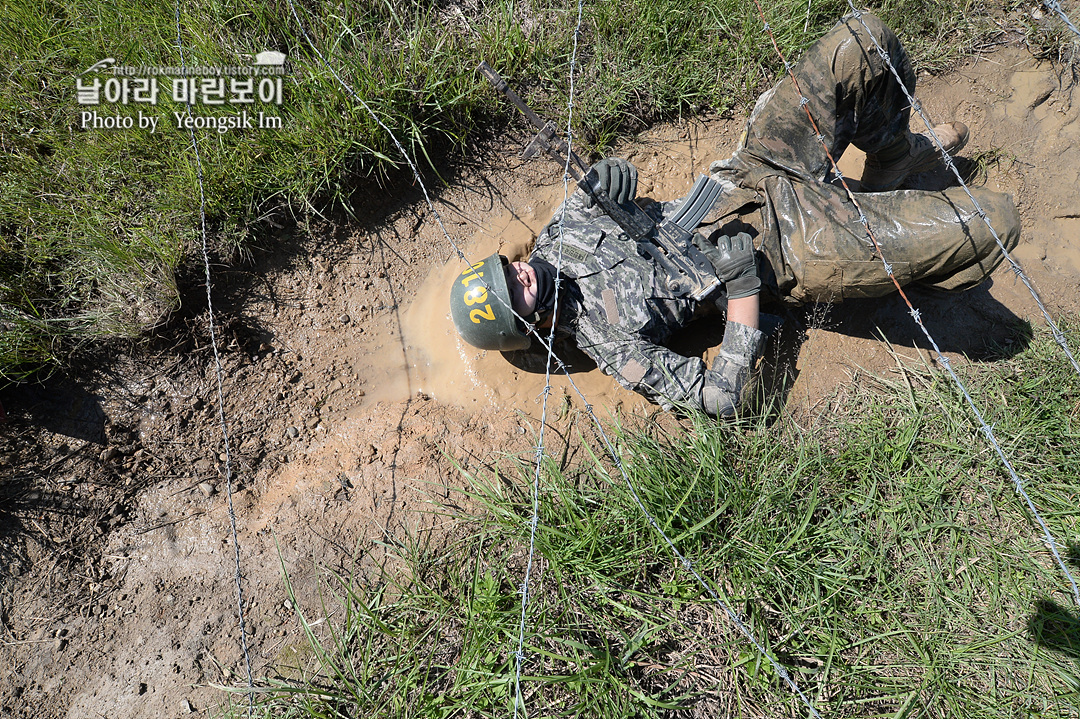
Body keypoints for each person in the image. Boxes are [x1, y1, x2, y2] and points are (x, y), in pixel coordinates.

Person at [450, 13, 1020, 417]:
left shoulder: (556, 238)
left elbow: (593, 189)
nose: (520, 276)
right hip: (788, 249)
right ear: (534, 326)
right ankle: (884, 227)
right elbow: (723, 399)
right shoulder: (612, 346)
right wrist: (743, 292)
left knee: (862, 40)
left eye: (507, 270)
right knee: (993, 220)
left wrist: (610, 173)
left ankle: (890, 166)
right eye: (513, 294)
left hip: (752, 169)